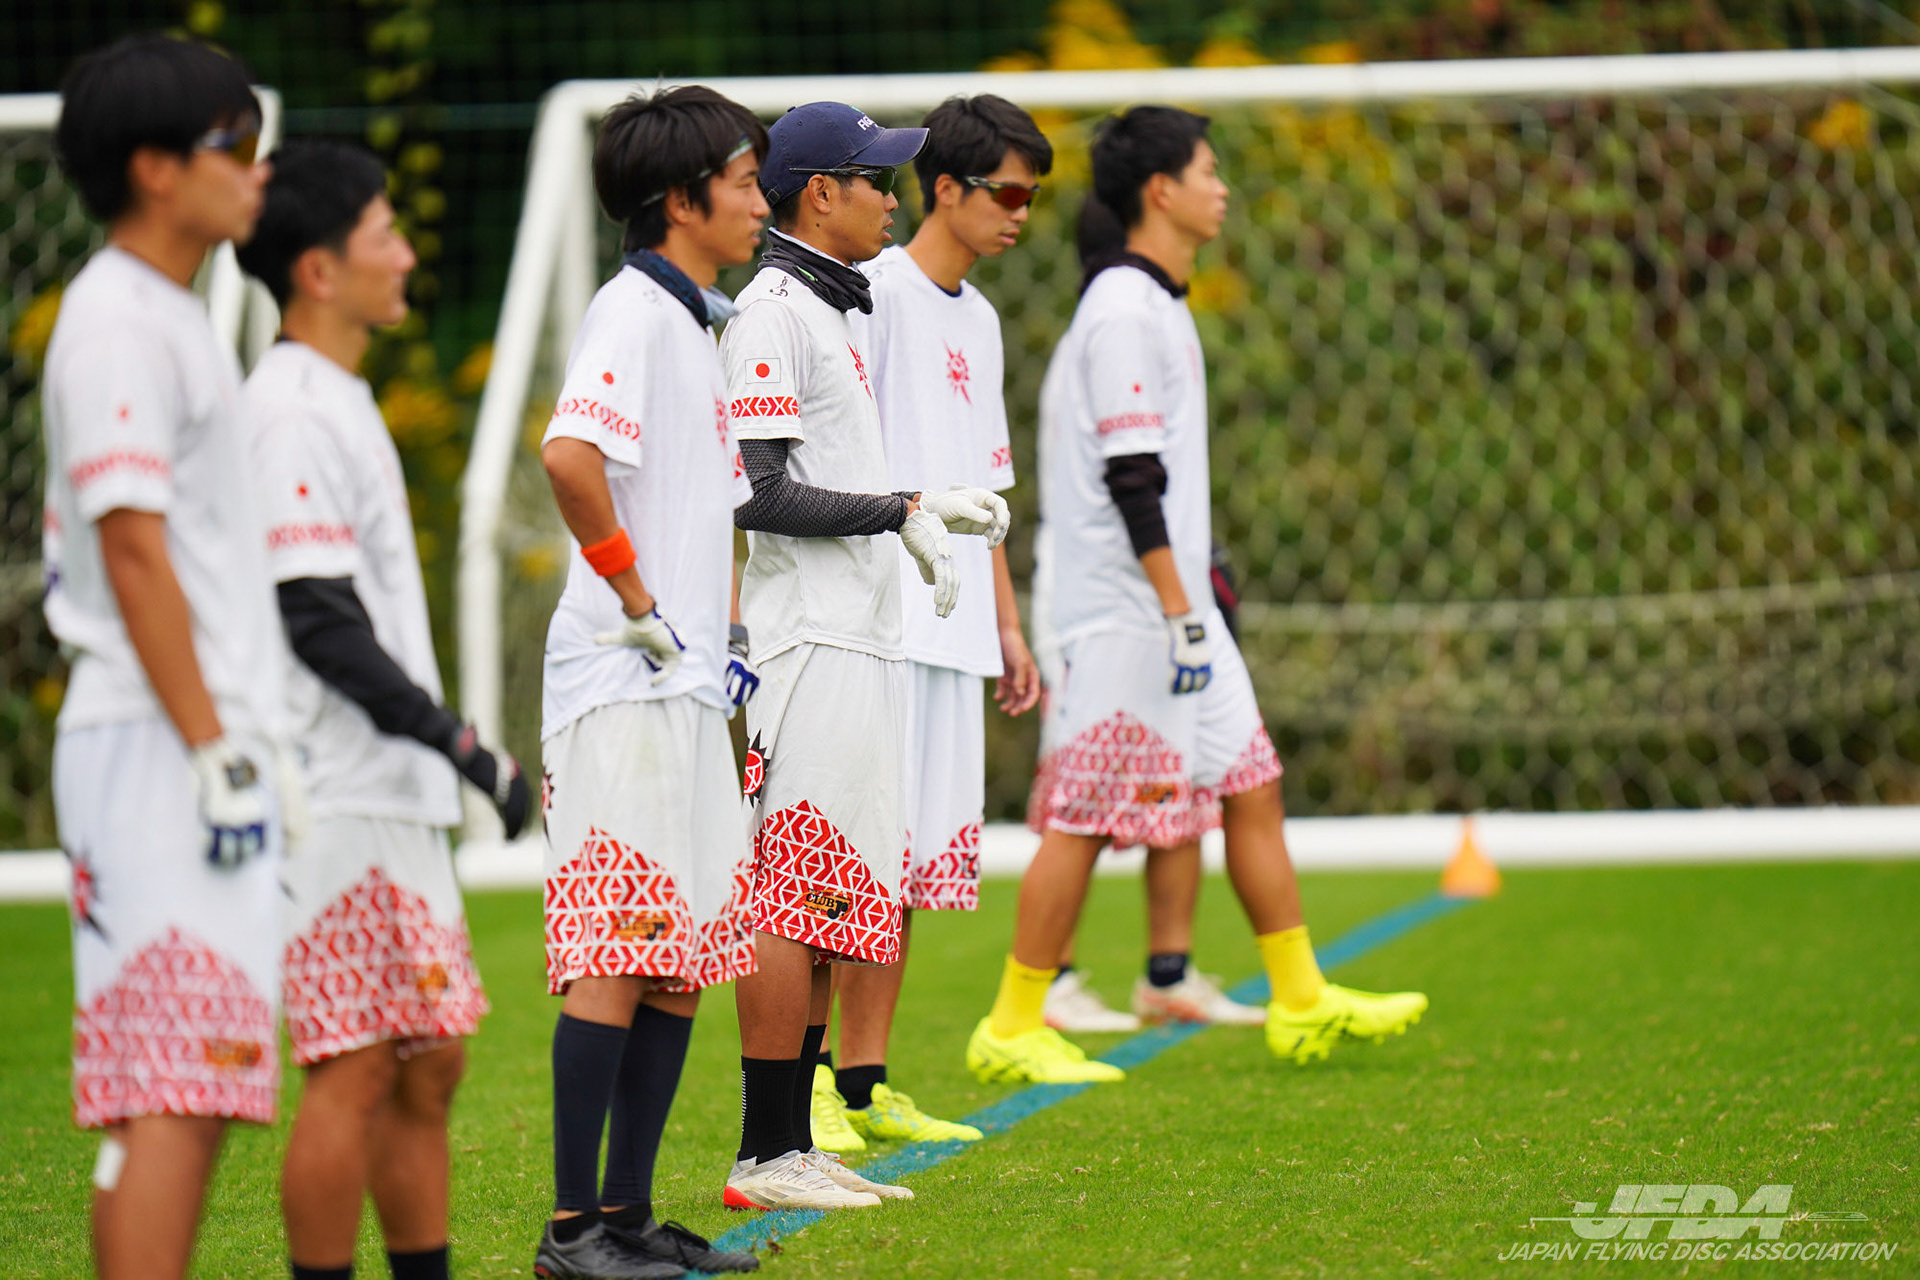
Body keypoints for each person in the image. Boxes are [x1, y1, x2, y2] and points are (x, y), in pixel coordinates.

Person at [969, 106, 1428, 1085]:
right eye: (1209, 171)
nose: (1223, 189)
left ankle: (1299, 997)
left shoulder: (1158, 302)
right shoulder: (1123, 312)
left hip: (1176, 613)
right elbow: (1133, 482)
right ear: (1161, 190)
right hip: (1128, 614)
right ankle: (1013, 1019)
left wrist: (1193, 607)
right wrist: (1182, 609)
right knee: (1085, 816)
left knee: (1252, 784)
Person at [236, 139, 529, 1280]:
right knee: (355, 1062)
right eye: (385, 234)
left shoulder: (340, 396)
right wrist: (458, 742)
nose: (406, 255)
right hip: (332, 788)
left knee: (429, 1058)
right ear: (319, 269)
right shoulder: (286, 410)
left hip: (386, 786)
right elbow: (315, 616)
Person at [721, 101, 1008, 1210]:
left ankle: (793, 1143)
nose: (892, 197)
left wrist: (918, 502)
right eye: (874, 179)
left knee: (833, 893)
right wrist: (901, 509)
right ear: (819, 193)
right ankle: (763, 1152)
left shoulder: (829, 307)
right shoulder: (772, 311)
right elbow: (759, 491)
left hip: (858, 634)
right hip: (807, 641)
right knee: (791, 895)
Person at [42, 34, 287, 1280]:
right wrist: (209, 747)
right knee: (172, 1086)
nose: (258, 168)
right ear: (153, 168)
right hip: (155, 740)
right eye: (234, 145)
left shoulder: (175, 311)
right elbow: (131, 547)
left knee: (197, 1080)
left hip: (192, 735)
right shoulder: (116, 322)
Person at [531, 86, 771, 1278]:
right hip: (621, 678)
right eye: (746, 181)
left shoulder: (697, 321)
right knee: (624, 946)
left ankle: (627, 1217)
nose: (762, 202)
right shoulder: (631, 311)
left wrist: (725, 634)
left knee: (683, 954)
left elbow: (712, 510)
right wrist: (637, 600)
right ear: (682, 199)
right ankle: (572, 1229)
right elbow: (569, 456)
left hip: (681, 681)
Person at [807, 94, 1052, 1155]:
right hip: (882, 618)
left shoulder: (980, 319)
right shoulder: (880, 297)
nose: (1020, 213)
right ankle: (806, 1080)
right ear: (946, 188)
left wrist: (1008, 629)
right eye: (1007, 192)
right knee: (847, 859)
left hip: (954, 628)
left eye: (1032, 197)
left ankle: (866, 1082)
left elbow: (984, 492)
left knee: (903, 869)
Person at [1030, 543, 1265, 1034]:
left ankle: (1168, 975)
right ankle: (1045, 984)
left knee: (1185, 769)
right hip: (1099, 602)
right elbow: (1132, 496)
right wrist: (1179, 607)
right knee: (1082, 791)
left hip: (1170, 591)